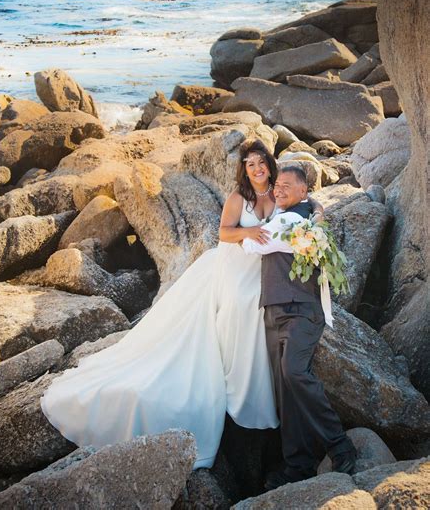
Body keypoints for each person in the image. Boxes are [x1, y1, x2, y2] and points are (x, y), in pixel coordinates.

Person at [40, 139, 323, 471]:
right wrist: (253, 231)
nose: (258, 169)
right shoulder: (238, 198)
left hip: (261, 271)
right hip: (233, 267)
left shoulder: (278, 191)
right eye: (251, 165)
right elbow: (224, 233)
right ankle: (231, 381)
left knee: (256, 310)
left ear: (269, 165)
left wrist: (318, 214)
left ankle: (254, 392)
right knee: (236, 307)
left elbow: (307, 201)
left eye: (262, 163)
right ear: (244, 170)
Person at [242, 165, 356, 490]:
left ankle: (340, 445)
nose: (278, 190)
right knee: (286, 390)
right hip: (276, 310)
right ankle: (299, 465)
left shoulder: (293, 219)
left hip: (301, 312)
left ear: (303, 191)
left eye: (287, 186)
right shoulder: (305, 212)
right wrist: (317, 207)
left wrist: (238, 232)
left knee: (295, 374)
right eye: (277, 185)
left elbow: (254, 245)